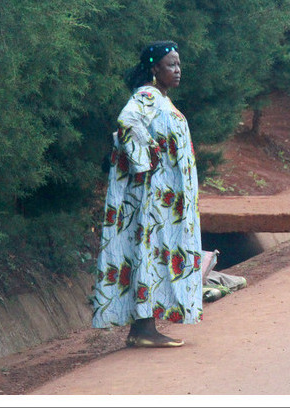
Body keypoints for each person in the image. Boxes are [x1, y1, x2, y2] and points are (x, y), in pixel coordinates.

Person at [91, 41, 202, 348]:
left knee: (153, 253)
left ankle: (144, 327)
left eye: (179, 64)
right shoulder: (148, 95)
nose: (177, 70)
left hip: (166, 200)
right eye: (170, 65)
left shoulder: (162, 100)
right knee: (149, 250)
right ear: (155, 69)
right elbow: (127, 122)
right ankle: (143, 330)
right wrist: (147, 158)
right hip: (154, 198)